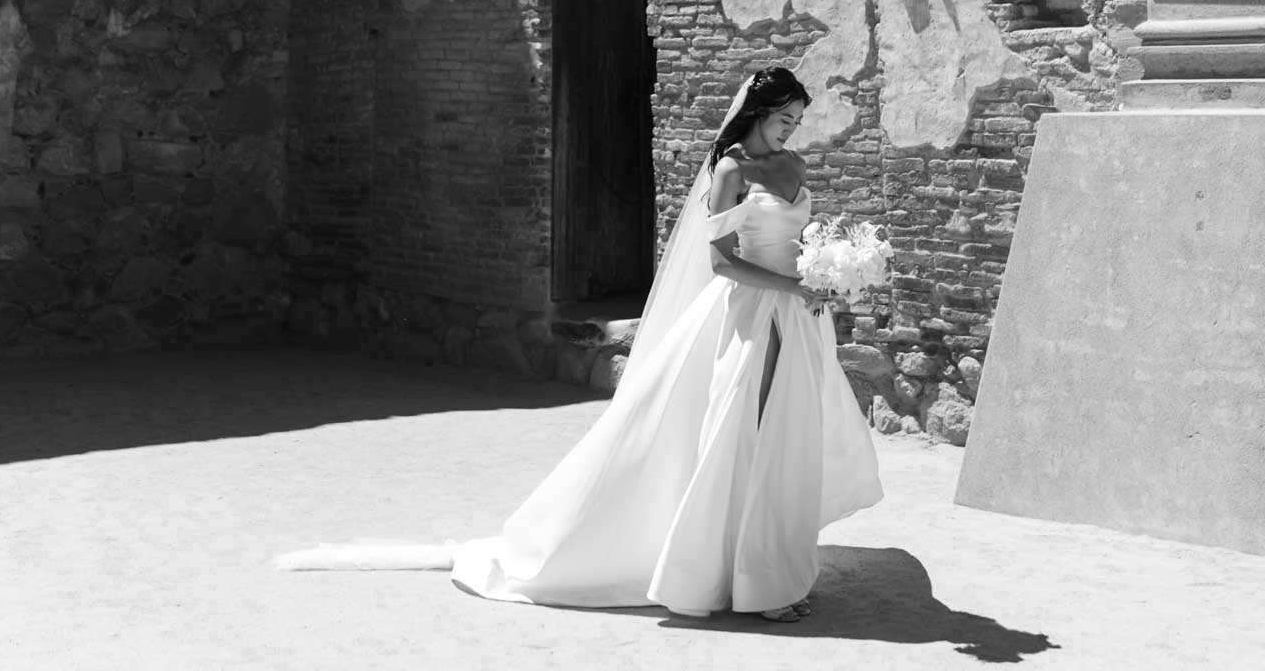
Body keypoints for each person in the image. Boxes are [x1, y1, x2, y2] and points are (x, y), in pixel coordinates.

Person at [279, 67, 882, 623]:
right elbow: (722, 263)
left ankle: (772, 573)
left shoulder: (793, 165)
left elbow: (799, 237)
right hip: (748, 318)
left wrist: (827, 267)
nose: (791, 130)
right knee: (742, 437)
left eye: (797, 121)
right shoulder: (731, 172)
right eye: (784, 119)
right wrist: (794, 284)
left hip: (798, 317)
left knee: (785, 437)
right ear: (757, 112)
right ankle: (749, 581)